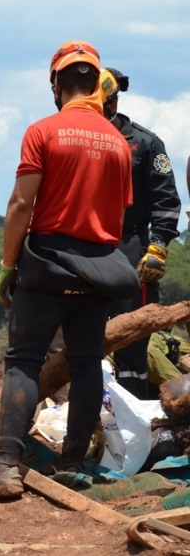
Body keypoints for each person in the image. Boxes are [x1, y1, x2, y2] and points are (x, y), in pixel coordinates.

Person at [0, 41, 139, 501]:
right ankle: (74, 463)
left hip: (48, 263)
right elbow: (119, 212)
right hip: (99, 268)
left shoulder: (43, 131)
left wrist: (8, 263)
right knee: (86, 363)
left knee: (23, 361)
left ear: (56, 84)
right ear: (96, 85)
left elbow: (21, 203)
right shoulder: (118, 142)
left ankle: (6, 467)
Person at [98, 67, 182, 398]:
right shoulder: (74, 138)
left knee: (132, 338)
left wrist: (158, 246)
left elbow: (166, 201)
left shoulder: (146, 144)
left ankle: (135, 413)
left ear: (113, 104)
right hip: (83, 247)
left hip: (130, 246)